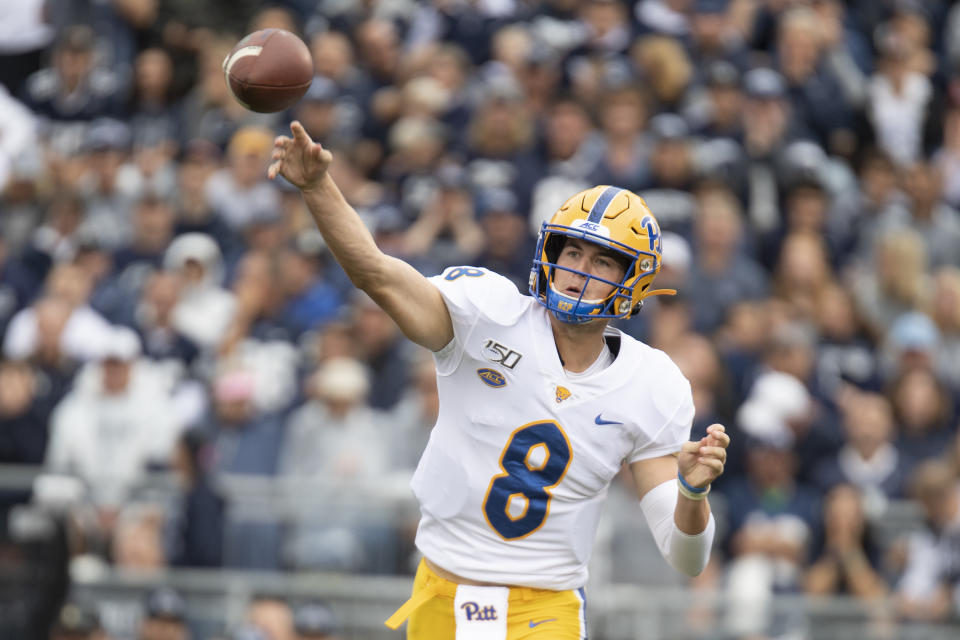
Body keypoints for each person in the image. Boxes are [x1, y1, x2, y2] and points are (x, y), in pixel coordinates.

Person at [269, 121, 730, 639]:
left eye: (603, 261)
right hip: (440, 591)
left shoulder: (651, 383)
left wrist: (692, 494)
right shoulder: (487, 313)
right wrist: (316, 187)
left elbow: (686, 556)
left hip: (544, 606)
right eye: (572, 253)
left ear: (633, 282)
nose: (580, 270)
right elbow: (375, 272)